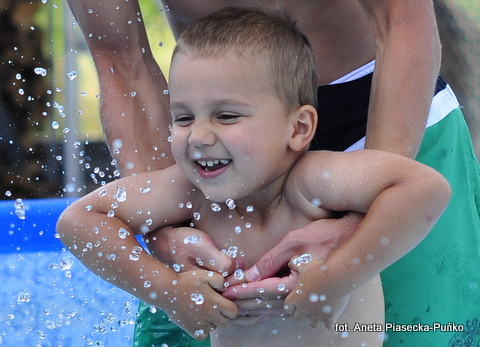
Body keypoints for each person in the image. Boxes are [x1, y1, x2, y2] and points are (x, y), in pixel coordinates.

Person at [65, 1, 480, 346]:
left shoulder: (345, 178)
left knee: (429, 333)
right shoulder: (191, 175)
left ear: (301, 127)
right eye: (183, 120)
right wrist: (167, 236)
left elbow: (402, 20)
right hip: (217, 159)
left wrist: (359, 224)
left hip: (386, 117)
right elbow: (121, 59)